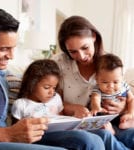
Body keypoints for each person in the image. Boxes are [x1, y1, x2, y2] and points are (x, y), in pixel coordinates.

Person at [0, 7, 106, 150]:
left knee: (90, 140)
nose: (11, 56)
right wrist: (9, 134)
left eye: (13, 48)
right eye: (4, 49)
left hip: (6, 136)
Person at [53, 15, 134, 149]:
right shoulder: (59, 63)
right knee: (104, 135)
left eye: (85, 48)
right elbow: (52, 101)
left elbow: (124, 94)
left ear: (94, 37)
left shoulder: (109, 64)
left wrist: (123, 108)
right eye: (73, 52)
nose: (81, 56)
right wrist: (74, 108)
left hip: (110, 121)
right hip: (78, 125)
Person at [90, 53, 134, 130]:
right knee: (97, 118)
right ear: (97, 79)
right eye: (105, 82)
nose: (111, 86)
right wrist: (96, 107)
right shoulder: (97, 89)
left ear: (121, 78)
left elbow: (131, 99)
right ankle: (110, 129)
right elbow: (95, 98)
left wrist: (130, 113)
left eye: (115, 82)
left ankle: (126, 123)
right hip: (105, 115)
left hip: (121, 114)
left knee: (128, 116)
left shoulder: (124, 86)